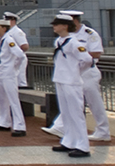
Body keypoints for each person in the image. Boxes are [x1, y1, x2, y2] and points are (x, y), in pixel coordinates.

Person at [43, 10, 110, 142]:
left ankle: (103, 131)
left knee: (94, 102)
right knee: (71, 101)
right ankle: (60, 127)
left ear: (73, 21)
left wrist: (77, 61)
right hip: (72, 72)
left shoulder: (89, 34)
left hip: (88, 71)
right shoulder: (64, 38)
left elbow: (96, 53)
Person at [49, 14, 92, 157]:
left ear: (65, 26)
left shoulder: (74, 43)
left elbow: (87, 60)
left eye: (57, 24)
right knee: (66, 113)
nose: (54, 27)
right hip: (60, 79)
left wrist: (76, 71)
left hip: (71, 81)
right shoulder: (59, 41)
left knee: (76, 114)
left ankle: (83, 146)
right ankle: (69, 141)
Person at [0, 19, 26, 136]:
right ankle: (4, 122)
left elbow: (20, 55)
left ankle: (20, 126)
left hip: (8, 73)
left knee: (13, 99)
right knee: (1, 98)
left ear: (4, 28)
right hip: (0, 71)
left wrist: (14, 67)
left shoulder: (9, 40)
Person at [3, 12, 30, 87]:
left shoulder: (17, 32)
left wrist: (16, 51)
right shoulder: (8, 32)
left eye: (7, 20)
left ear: (13, 21)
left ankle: (23, 92)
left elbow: (25, 46)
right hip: (10, 59)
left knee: (20, 78)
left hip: (18, 58)